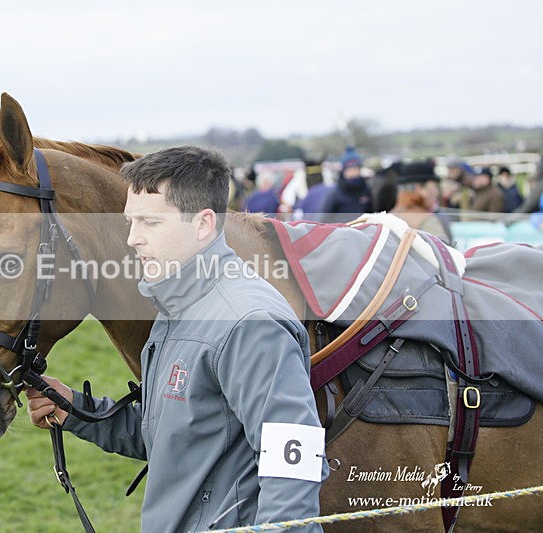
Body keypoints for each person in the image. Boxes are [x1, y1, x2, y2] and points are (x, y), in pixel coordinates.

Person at [26, 146, 325, 532]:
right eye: (130, 222)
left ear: (202, 224)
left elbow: (293, 471)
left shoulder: (250, 323)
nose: (132, 239)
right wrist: (75, 410)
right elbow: (176, 437)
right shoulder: (176, 309)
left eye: (150, 222)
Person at [388, 160, 452, 242]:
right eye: (434, 186)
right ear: (420, 188)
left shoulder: (387, 218)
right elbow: (444, 253)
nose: (437, 192)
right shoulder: (427, 221)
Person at [319, 146, 372, 223]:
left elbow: (372, 214)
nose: (353, 172)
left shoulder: (366, 190)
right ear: (343, 171)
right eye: (349, 169)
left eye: (355, 169)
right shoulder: (335, 194)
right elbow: (323, 220)